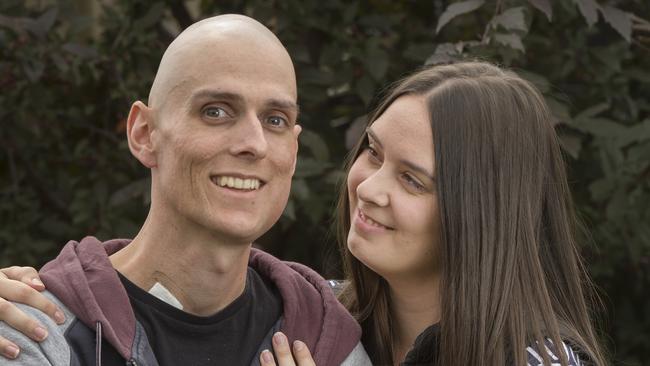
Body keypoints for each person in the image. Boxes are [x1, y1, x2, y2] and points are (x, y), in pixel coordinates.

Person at [0, 61, 607, 365]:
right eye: (372, 152)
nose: (368, 189)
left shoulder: (537, 359)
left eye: (412, 180)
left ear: (482, 215)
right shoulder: (320, 318)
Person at [0, 13, 369, 366]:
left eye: (275, 120)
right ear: (144, 134)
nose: (254, 143)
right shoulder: (37, 329)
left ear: (294, 148)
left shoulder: (325, 340)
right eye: (216, 111)